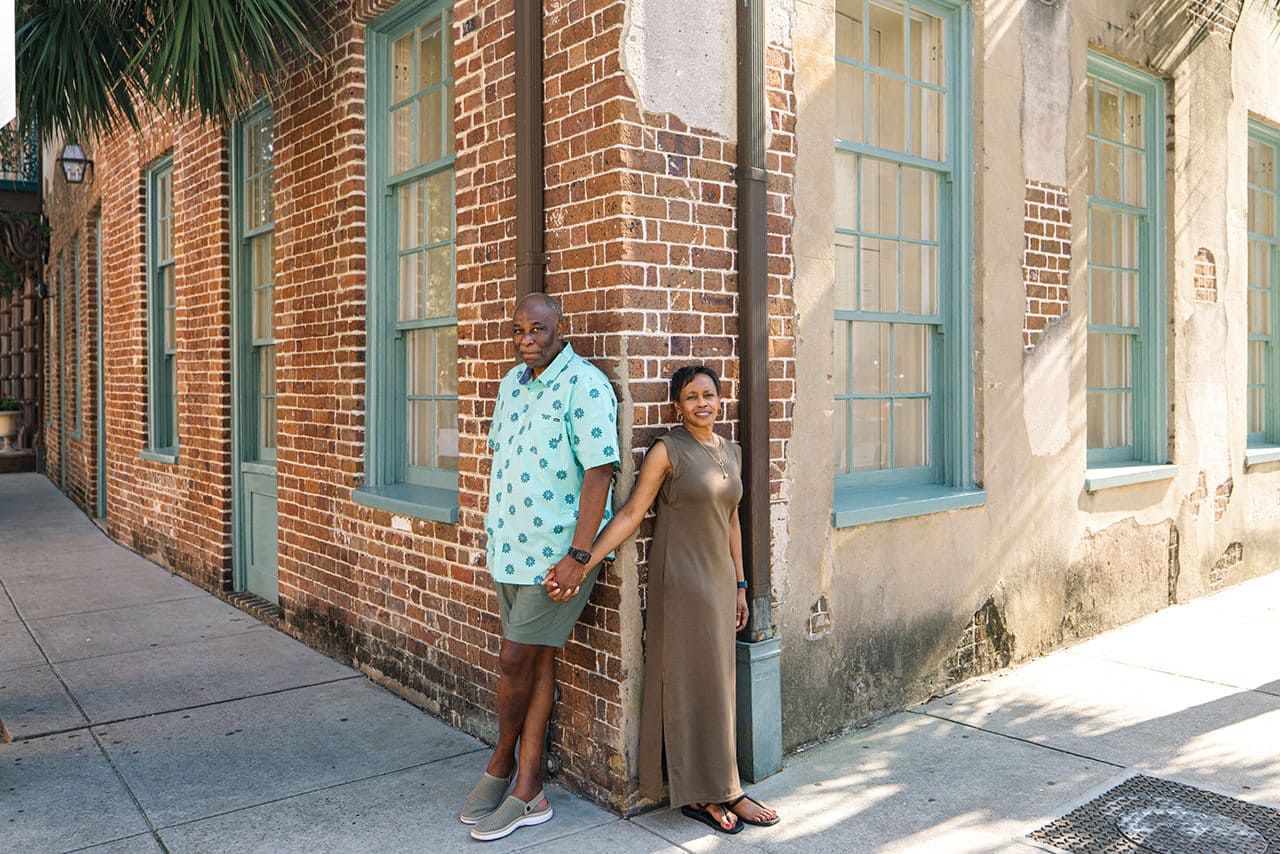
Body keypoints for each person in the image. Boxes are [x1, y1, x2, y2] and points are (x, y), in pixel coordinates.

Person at [548, 364, 779, 833]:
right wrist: (582, 560)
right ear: (678, 405)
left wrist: (741, 586)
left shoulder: (730, 451)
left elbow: (732, 521)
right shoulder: (667, 450)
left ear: (720, 400)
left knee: (718, 685)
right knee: (694, 685)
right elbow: (632, 512)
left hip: (719, 584)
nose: (702, 404)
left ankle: (717, 787)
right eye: (691, 397)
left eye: (709, 395)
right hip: (681, 582)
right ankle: (715, 794)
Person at [461, 292, 620, 843]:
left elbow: (600, 473)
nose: (527, 339)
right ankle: (531, 790)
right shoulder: (512, 383)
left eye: (537, 329)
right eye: (518, 331)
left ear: (560, 327)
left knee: (513, 660)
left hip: (558, 556)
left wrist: (580, 556)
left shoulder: (586, 384)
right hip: (509, 547)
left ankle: (503, 765)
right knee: (538, 661)